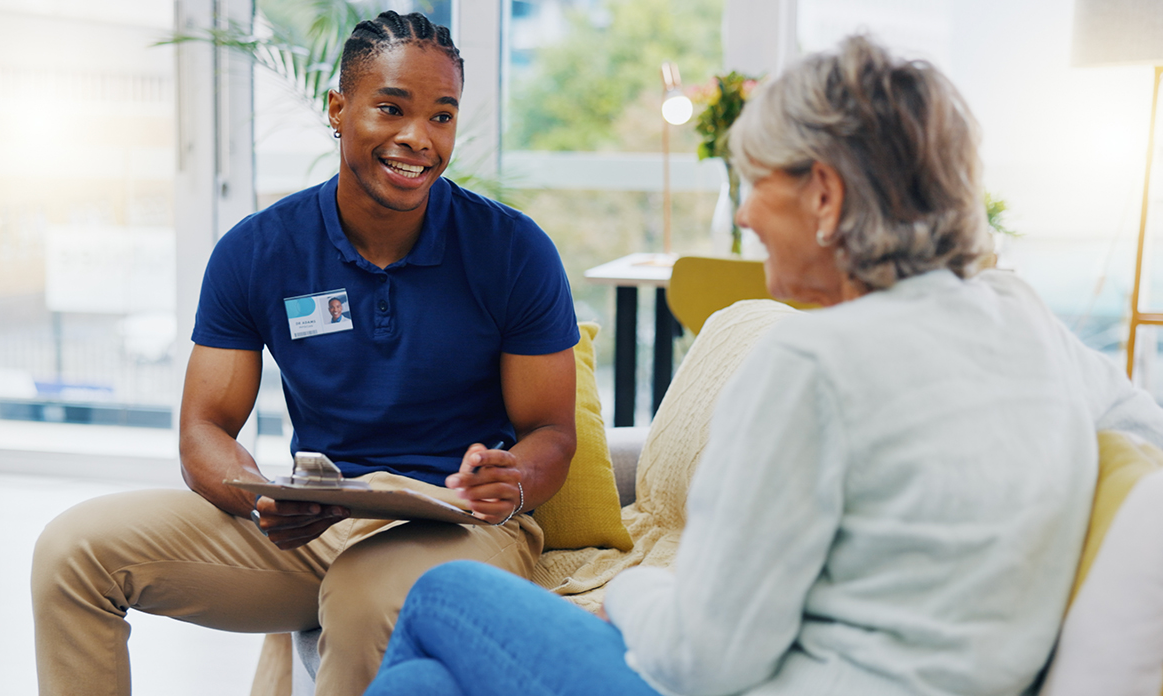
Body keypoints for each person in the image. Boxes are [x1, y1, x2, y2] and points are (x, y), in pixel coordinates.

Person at [362, 35, 1163, 696]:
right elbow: (1141, 437)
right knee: (424, 687)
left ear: (825, 195)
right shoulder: (1024, 320)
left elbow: (703, 662)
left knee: (441, 594)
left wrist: (636, 592)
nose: (743, 213)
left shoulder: (813, 364)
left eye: (755, 182)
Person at [30, 10, 578, 696]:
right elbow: (204, 428)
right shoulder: (258, 250)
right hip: (319, 520)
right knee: (70, 553)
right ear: (337, 108)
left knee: (361, 595)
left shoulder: (512, 250)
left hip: (459, 525)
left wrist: (512, 479)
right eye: (391, 108)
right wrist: (259, 496)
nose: (419, 138)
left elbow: (552, 433)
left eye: (443, 116)